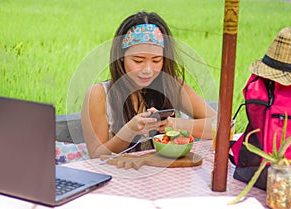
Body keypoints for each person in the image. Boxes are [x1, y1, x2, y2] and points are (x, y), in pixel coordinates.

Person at [81, 11, 216, 158]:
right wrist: (129, 131)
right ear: (121, 57)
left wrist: (177, 124)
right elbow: (96, 155)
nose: (147, 70)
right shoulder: (99, 95)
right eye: (138, 60)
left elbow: (221, 126)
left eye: (156, 60)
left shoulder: (171, 86)